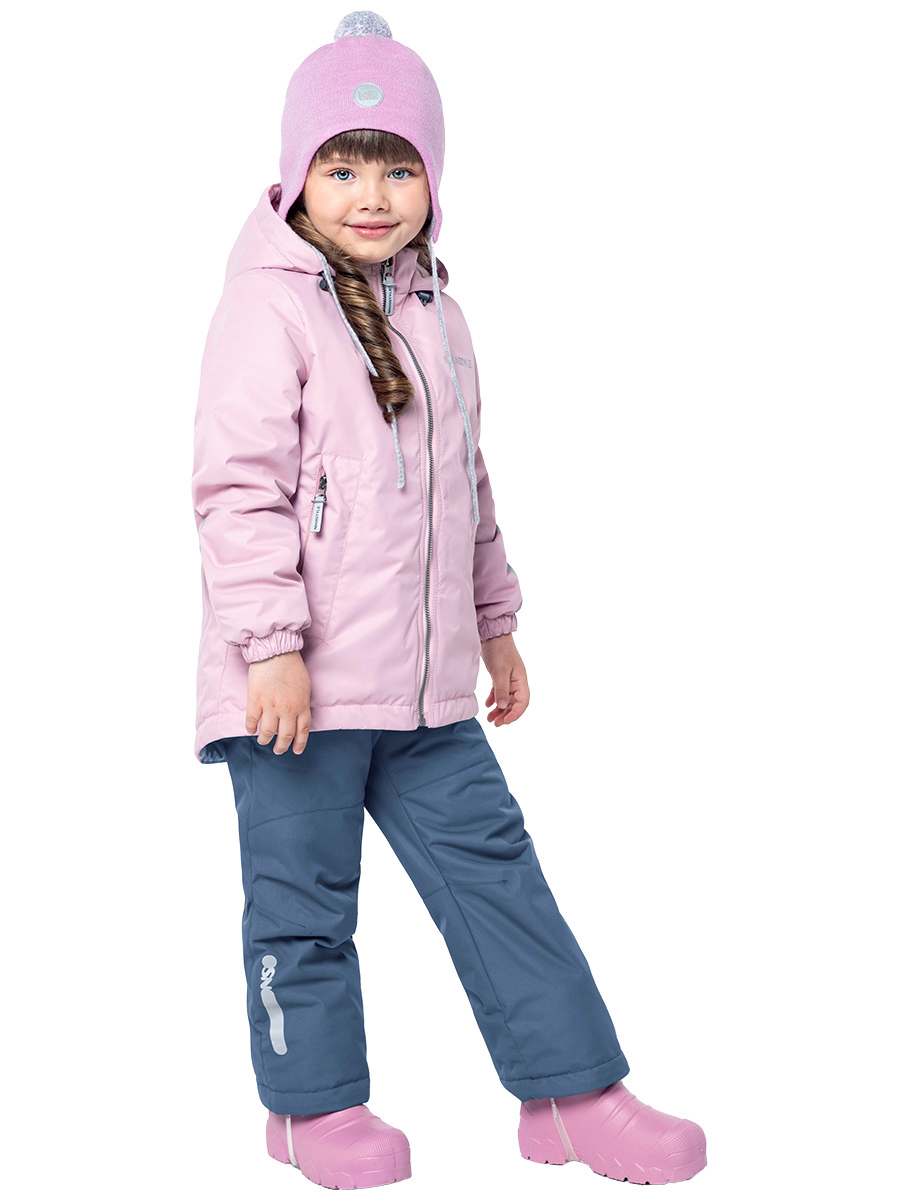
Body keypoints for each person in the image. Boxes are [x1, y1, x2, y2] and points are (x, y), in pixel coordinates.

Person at [191, 10, 707, 1191]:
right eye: (342, 167)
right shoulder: (268, 308)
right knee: (304, 906)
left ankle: (574, 1096)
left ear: (434, 179)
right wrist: (269, 646)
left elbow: (464, 483)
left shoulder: (438, 314)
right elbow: (236, 487)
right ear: (297, 176)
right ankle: (310, 1111)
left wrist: (496, 622)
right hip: (297, 693)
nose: (372, 196)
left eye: (399, 168)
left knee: (501, 882)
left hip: (426, 693)